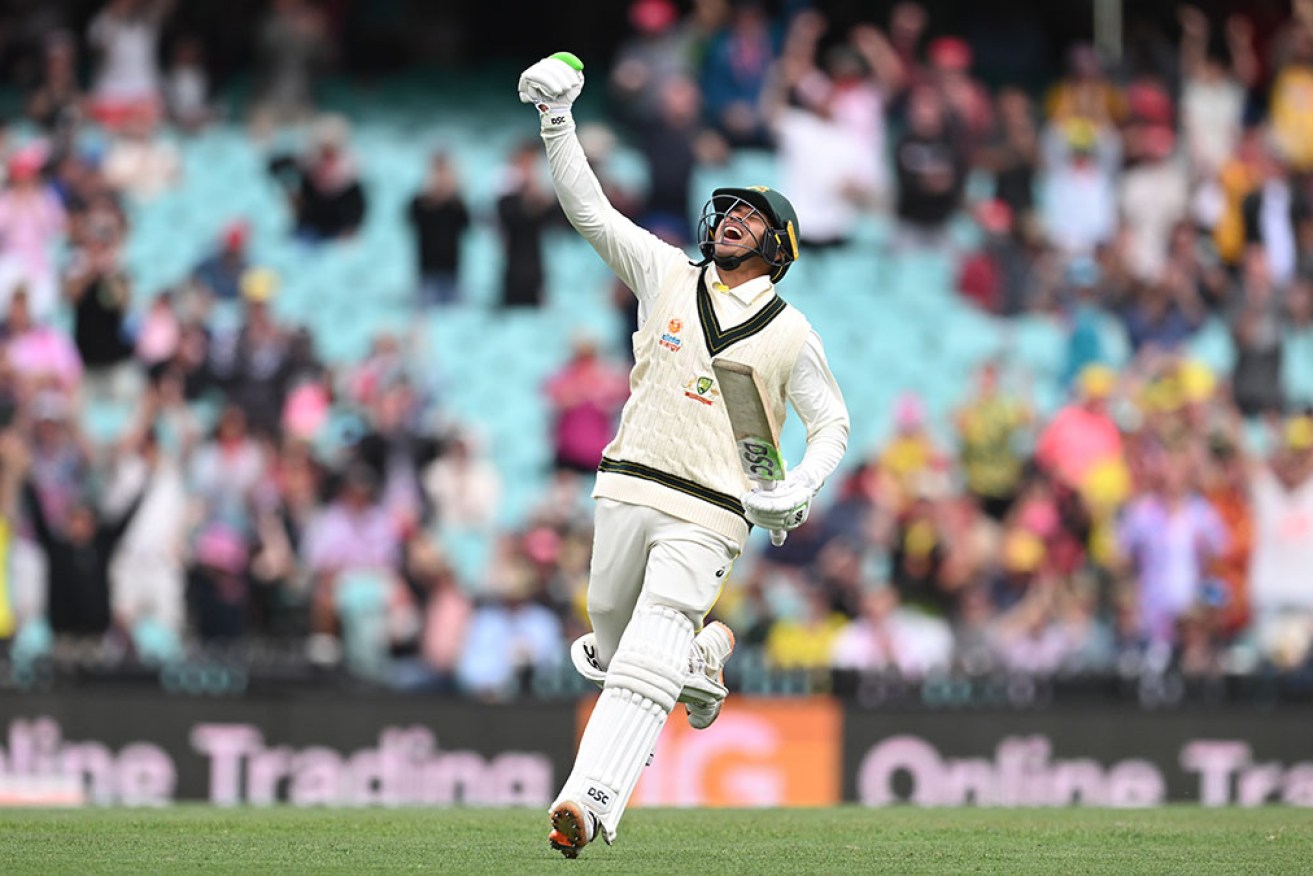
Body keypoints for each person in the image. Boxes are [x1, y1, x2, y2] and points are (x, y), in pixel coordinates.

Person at [517, 51, 849, 857]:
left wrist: (795, 486)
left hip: (709, 508)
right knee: (609, 644)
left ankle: (589, 801)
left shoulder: (790, 332)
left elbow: (830, 424)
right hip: (626, 482)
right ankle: (702, 657)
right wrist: (555, 120)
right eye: (727, 206)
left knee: (651, 636)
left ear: (779, 248)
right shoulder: (667, 272)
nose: (732, 215)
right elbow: (591, 212)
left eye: (752, 213)